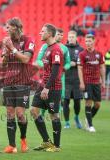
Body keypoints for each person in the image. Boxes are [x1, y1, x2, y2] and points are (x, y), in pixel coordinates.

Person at [1, 17, 35, 153]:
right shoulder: (7, 42)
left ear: (15, 27)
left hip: (22, 81)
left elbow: (26, 59)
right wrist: (5, 53)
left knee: (20, 114)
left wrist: (12, 49)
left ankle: (23, 139)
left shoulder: (28, 40)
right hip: (9, 81)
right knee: (9, 113)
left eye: (8, 27)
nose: (6, 29)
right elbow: (4, 63)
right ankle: (11, 145)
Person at [31, 24, 64, 152]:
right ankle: (46, 141)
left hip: (53, 88)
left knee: (54, 115)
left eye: (42, 31)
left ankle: (57, 146)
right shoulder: (47, 48)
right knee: (34, 111)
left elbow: (55, 71)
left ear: (49, 34)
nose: (40, 33)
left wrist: (47, 88)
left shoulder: (56, 49)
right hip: (43, 85)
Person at [34, 28, 71, 117]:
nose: (60, 36)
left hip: (59, 76)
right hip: (46, 75)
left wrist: (63, 69)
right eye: (58, 34)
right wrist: (45, 66)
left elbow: (68, 62)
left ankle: (58, 117)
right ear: (54, 35)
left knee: (59, 98)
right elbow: (38, 59)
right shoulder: (45, 46)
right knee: (43, 97)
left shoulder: (65, 48)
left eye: (62, 35)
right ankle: (43, 114)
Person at [77, 34, 105, 132]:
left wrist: (103, 81)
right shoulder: (82, 54)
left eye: (89, 41)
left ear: (94, 41)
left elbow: (102, 67)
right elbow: (79, 68)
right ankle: (90, 125)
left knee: (97, 104)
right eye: (86, 41)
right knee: (88, 102)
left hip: (96, 82)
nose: (88, 43)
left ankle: (87, 118)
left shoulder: (99, 54)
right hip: (87, 82)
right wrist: (81, 82)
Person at [63, 30, 84, 129]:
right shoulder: (63, 48)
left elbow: (84, 63)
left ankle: (76, 117)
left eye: (73, 37)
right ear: (67, 38)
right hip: (66, 80)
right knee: (65, 101)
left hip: (77, 80)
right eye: (69, 37)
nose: (71, 38)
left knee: (77, 102)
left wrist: (76, 63)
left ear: (76, 38)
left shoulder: (81, 49)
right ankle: (67, 122)